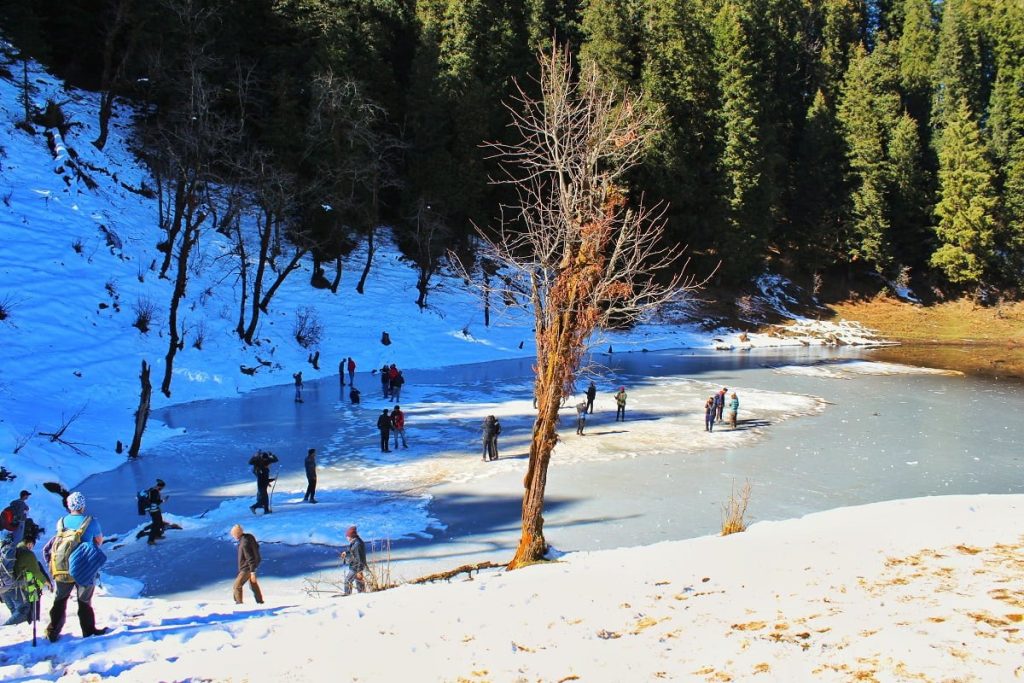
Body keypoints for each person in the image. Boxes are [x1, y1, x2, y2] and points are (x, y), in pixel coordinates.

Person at [45, 491, 108, 641]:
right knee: (84, 601)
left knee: (60, 600)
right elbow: (99, 541)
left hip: (62, 567)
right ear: (83, 505)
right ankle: (88, 632)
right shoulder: (91, 521)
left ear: (69, 505)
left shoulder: (61, 522)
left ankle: (53, 632)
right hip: (84, 567)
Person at [3, 535, 52, 626]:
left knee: (15, 613)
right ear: (30, 544)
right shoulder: (27, 554)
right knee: (24, 611)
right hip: (19, 588)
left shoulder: (12, 551)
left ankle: (14, 629)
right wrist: (47, 582)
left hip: (4, 587)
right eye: (32, 545)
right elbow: (36, 572)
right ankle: (4, 628)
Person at [230, 524, 264, 605]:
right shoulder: (249, 536)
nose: (233, 536)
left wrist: (252, 571)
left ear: (237, 534)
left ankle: (239, 603)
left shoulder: (244, 543)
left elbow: (249, 557)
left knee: (237, 586)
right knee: (253, 584)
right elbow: (256, 546)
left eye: (233, 534)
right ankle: (260, 601)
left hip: (247, 567)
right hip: (253, 564)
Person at [340, 526, 367, 596]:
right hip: (356, 566)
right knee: (359, 582)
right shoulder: (356, 541)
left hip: (356, 567)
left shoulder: (357, 544)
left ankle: (347, 595)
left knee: (347, 581)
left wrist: (359, 571)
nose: (346, 538)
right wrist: (346, 553)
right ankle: (362, 595)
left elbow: (359, 558)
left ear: (351, 536)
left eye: (347, 536)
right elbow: (352, 551)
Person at [144, 479, 167, 545]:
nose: (162, 489)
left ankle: (157, 535)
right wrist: (163, 500)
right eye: (162, 488)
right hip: (153, 510)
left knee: (159, 521)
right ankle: (150, 540)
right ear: (160, 486)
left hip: (155, 509)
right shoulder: (154, 492)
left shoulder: (152, 489)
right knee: (155, 524)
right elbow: (155, 502)